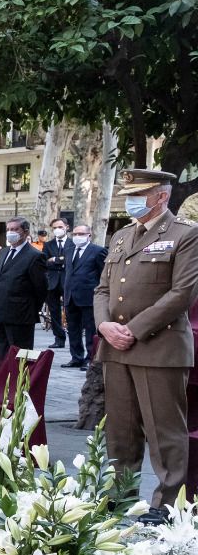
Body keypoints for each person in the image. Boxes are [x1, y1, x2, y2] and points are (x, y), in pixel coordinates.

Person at [96, 169, 198, 512]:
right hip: (115, 347)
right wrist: (104, 326)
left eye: (138, 195)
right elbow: (103, 290)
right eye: (129, 195)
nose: (130, 202)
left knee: (164, 433)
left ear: (162, 197)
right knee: (120, 433)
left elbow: (182, 293)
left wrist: (133, 330)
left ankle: (167, 506)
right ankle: (120, 497)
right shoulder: (122, 236)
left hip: (159, 348)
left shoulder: (186, 235)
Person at [0, 216, 48, 353]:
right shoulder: (3, 252)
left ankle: (19, 376)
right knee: (2, 353)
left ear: (25, 232)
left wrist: (28, 307)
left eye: (15, 229)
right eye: (8, 229)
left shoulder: (35, 256)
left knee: (21, 355)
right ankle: (5, 375)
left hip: (21, 315)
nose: (10, 232)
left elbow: (41, 288)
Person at [62, 221, 107, 369]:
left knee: (90, 330)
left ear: (89, 235)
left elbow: (103, 275)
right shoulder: (68, 250)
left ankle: (90, 358)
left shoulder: (98, 251)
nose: (77, 236)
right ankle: (76, 357)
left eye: (81, 234)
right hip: (70, 296)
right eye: (75, 234)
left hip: (89, 297)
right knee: (73, 329)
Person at [40, 217, 70, 349]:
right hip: (52, 282)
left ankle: (75, 339)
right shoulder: (48, 245)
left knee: (70, 310)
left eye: (60, 227)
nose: (57, 230)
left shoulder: (72, 243)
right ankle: (59, 338)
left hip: (68, 281)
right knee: (54, 311)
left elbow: (70, 260)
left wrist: (56, 259)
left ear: (66, 227)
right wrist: (60, 260)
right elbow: (44, 261)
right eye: (55, 228)